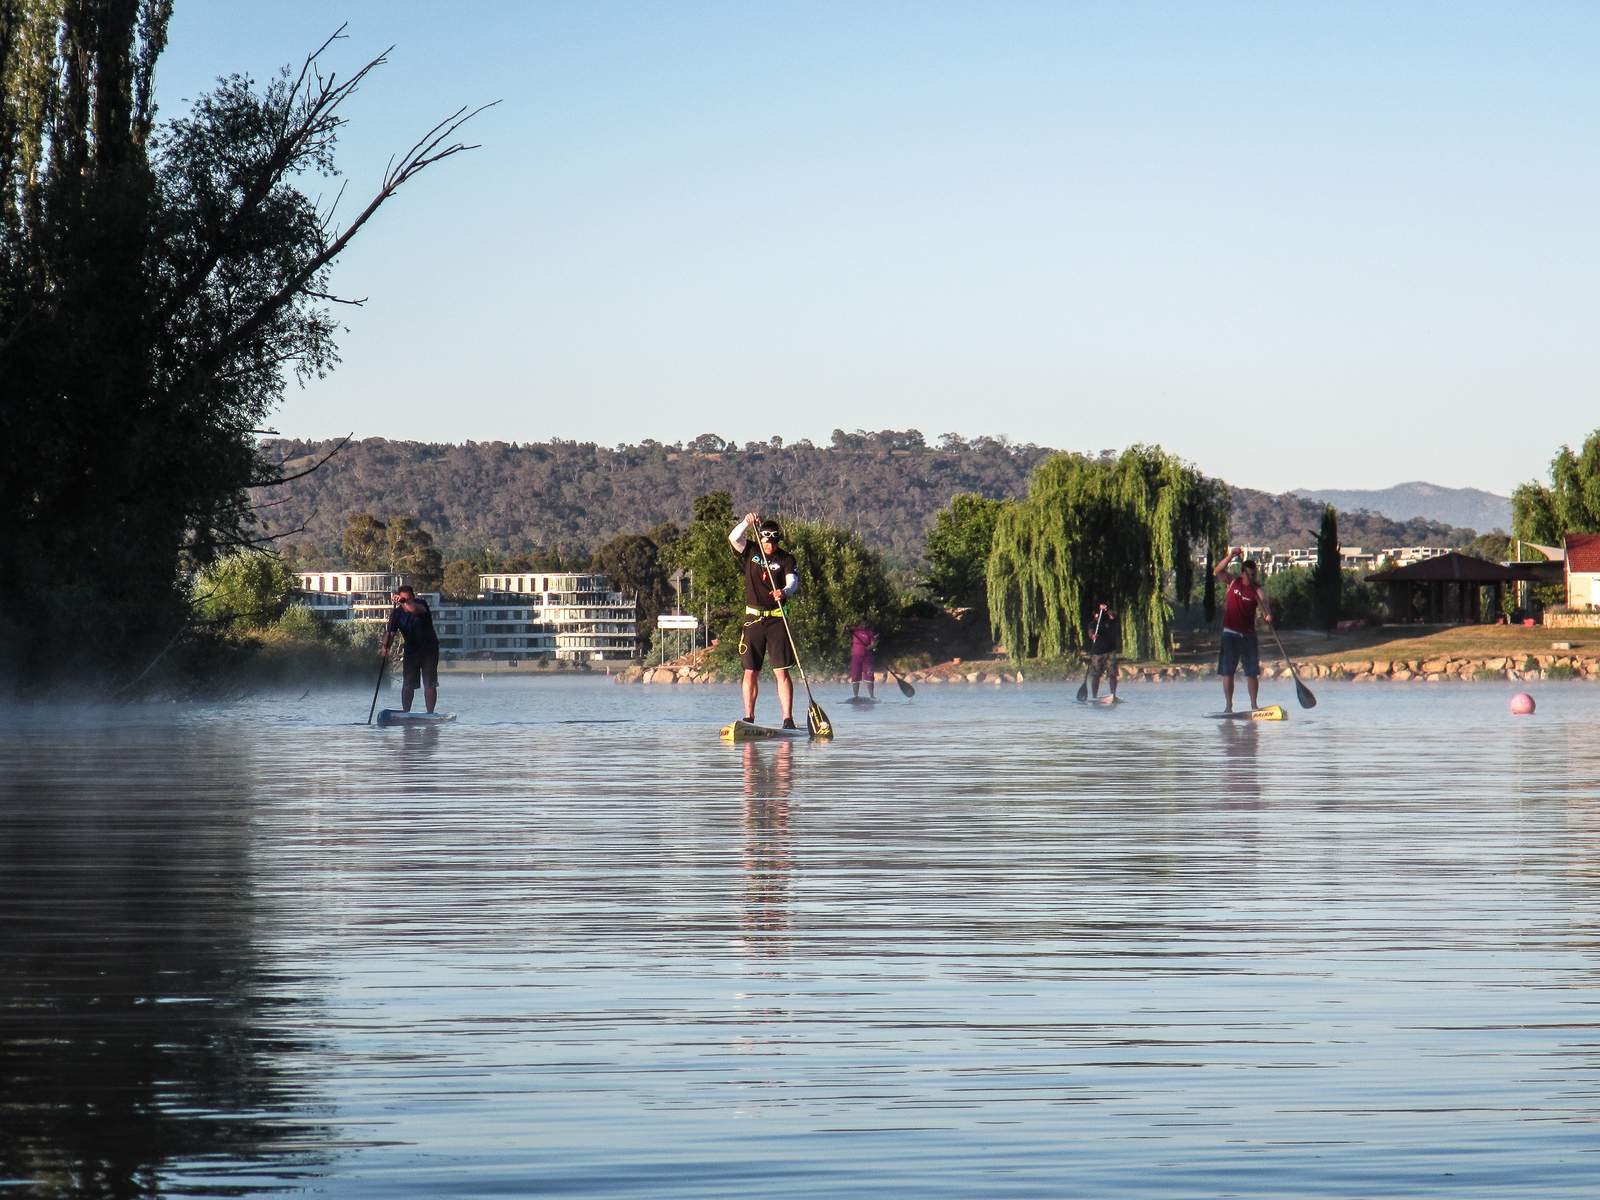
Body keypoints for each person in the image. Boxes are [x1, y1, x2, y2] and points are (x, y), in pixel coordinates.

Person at [729, 513, 800, 727]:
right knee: (750, 671)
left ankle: (787, 719)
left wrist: (785, 592)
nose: (770, 545)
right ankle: (749, 717)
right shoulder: (751, 549)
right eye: (767, 541)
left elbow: (793, 581)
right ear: (761, 538)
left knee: (781, 671)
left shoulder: (786, 558)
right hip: (753, 620)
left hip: (777, 620)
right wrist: (746, 522)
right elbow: (733, 538)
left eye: (774, 542)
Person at [1214, 547, 1273, 713]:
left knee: (1252, 673)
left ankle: (1254, 706)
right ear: (1242, 572)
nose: (1251, 577)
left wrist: (1268, 615)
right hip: (1230, 634)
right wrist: (1230, 556)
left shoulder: (1257, 590)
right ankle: (1228, 706)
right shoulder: (1233, 581)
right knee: (1228, 672)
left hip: (1248, 636)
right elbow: (1217, 570)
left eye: (1253, 575)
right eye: (1248, 574)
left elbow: (1265, 606)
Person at [380, 584, 440, 714]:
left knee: (429, 683)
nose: (404, 601)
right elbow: (390, 633)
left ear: (412, 597)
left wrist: (403, 601)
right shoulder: (396, 614)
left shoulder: (420, 604)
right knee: (407, 684)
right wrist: (385, 647)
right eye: (402, 599)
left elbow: (414, 609)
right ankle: (406, 712)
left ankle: (430, 713)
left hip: (429, 650)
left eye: (407, 598)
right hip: (411, 651)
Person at [1087, 602, 1120, 701]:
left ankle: (1113, 694)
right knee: (1096, 675)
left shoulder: (1109, 620)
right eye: (1096, 614)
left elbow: (1113, 615)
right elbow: (1090, 632)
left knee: (1112, 674)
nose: (1098, 615)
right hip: (1097, 652)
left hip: (1110, 651)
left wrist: (1106, 609)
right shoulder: (1093, 624)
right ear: (1094, 615)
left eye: (1099, 613)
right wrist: (1093, 636)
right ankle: (1094, 696)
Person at [848, 621, 877, 699]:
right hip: (856, 658)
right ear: (860, 624)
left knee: (869, 677)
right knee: (855, 677)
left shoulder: (870, 633)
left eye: (865, 624)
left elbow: (873, 644)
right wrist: (846, 626)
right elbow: (846, 629)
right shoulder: (855, 631)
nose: (864, 625)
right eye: (862, 624)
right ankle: (855, 696)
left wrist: (869, 647)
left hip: (867, 658)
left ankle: (872, 696)